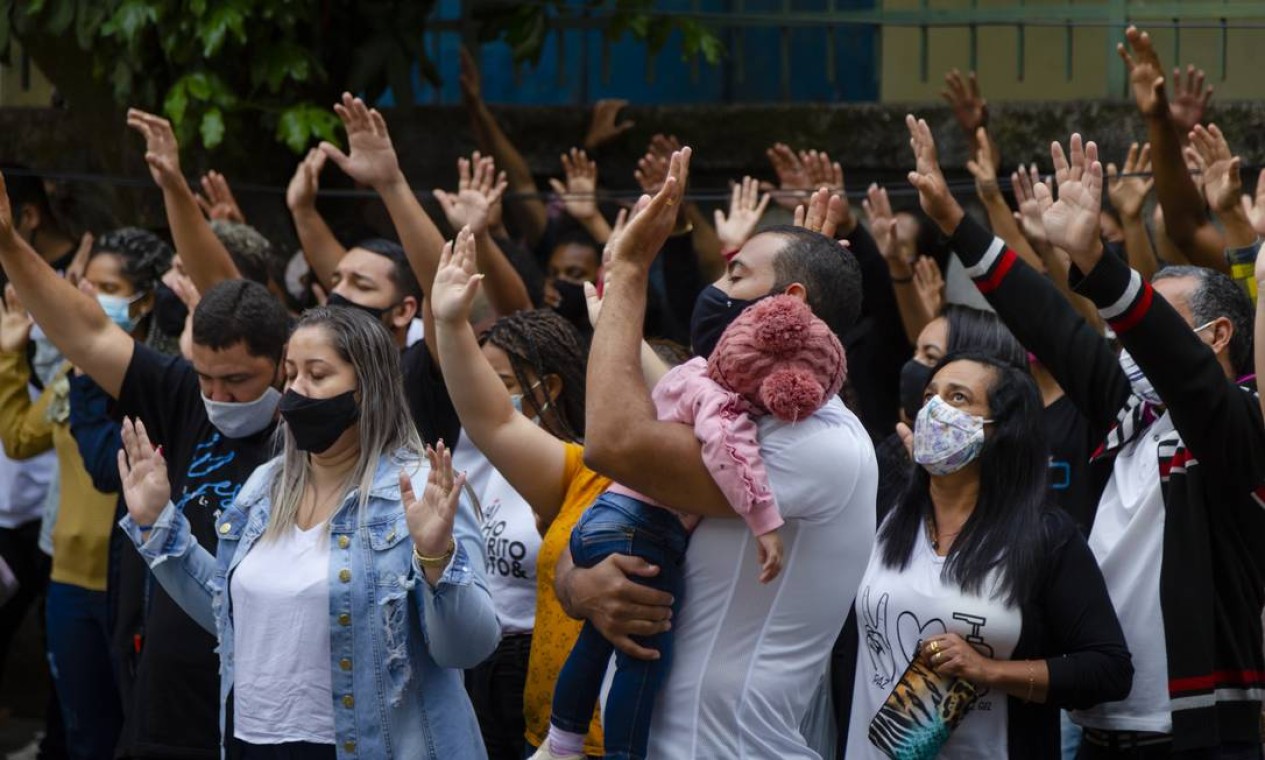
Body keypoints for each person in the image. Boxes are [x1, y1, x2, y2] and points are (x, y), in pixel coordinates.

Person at [905, 96, 1265, 757]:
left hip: (1194, 737)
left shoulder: (1238, 432)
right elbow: (1051, 325)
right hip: (1092, 729)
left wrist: (1102, 269)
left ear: (1212, 339)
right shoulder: (1129, 417)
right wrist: (954, 220)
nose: (1128, 345)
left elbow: (1178, 366)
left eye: (1151, 326)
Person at [557, 147, 878, 758]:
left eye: (735, 276)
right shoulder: (737, 407)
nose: (714, 290)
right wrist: (583, 587)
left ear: (789, 306)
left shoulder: (824, 445)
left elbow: (614, 443)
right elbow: (615, 529)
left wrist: (629, 272)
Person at [0, 166, 293, 759]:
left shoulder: (310, 426)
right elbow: (85, 336)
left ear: (284, 365)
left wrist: (176, 190)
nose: (219, 397)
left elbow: (234, 291)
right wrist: (8, 243)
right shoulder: (185, 396)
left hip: (261, 704)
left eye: (237, 381)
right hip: (161, 690)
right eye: (207, 377)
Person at [117, 305, 499, 759]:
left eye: (317, 375)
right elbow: (227, 612)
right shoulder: (265, 487)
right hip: (253, 741)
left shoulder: (419, 491)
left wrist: (437, 557)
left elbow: (468, 647)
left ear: (368, 390)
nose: (296, 391)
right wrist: (157, 522)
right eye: (292, 373)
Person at [535, 294, 846, 760]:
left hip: (605, 515)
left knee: (597, 640)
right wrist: (763, 523)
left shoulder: (694, 374)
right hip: (645, 525)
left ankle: (562, 744)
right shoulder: (724, 408)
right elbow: (732, 454)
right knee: (643, 659)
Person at [846, 351, 1133, 759]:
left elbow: (1109, 669)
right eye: (930, 396)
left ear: (1000, 429)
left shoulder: (1045, 537)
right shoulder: (886, 512)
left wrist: (991, 672)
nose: (934, 409)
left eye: (957, 398)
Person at [430, 228, 606, 757]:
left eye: (500, 377)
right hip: (477, 659)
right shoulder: (473, 460)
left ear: (548, 386)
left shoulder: (581, 473)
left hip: (545, 666)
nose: (486, 388)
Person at [0, 227, 169, 759]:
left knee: (130, 734)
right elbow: (20, 438)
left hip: (128, 583)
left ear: (143, 301)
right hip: (65, 579)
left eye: (107, 286)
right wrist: (9, 357)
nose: (89, 297)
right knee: (83, 733)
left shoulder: (159, 384)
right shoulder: (72, 370)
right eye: (86, 284)